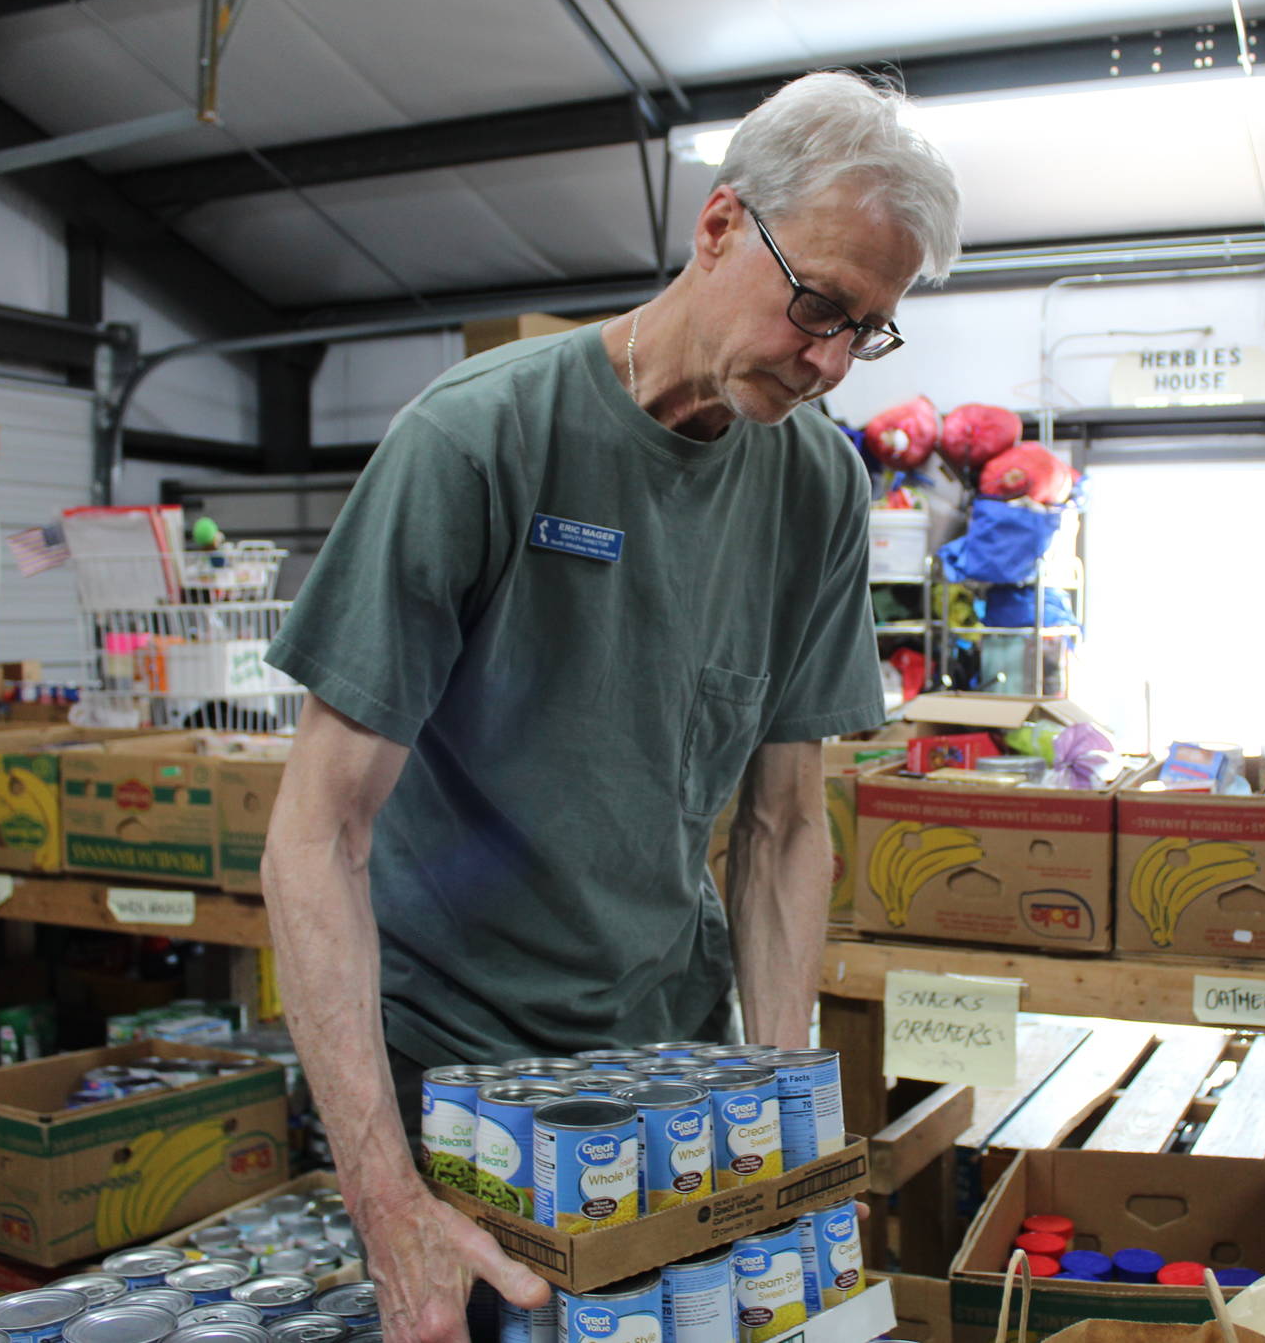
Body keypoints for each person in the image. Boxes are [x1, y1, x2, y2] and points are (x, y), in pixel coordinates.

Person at [258, 71, 960, 1343]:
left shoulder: (816, 491)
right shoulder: (476, 445)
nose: (830, 362)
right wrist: (384, 1195)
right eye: (816, 306)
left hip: (662, 1067)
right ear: (716, 227)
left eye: (869, 330)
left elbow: (784, 829)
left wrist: (773, 1123)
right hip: (449, 1078)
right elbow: (316, 835)